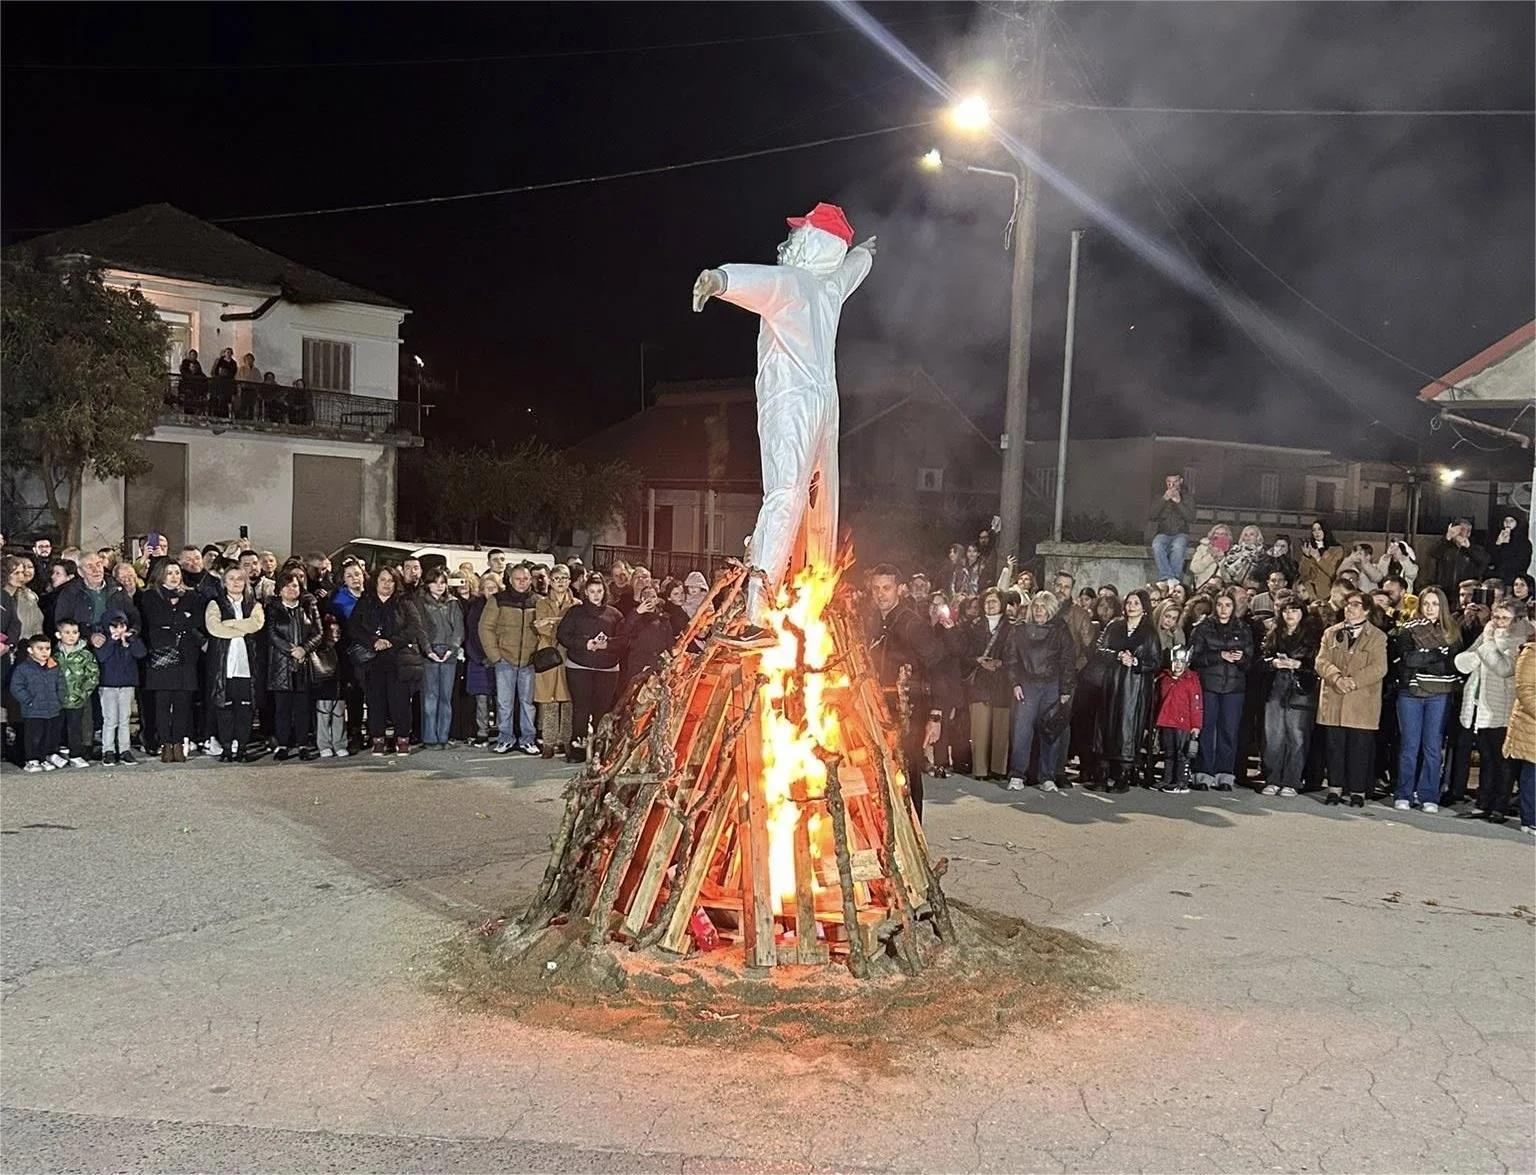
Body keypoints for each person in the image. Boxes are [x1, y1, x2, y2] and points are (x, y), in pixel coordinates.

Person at [693, 202, 875, 647]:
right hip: (825, 403)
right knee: (821, 501)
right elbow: (855, 267)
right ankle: (816, 593)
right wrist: (866, 252)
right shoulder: (829, 287)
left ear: (813, 242)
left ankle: (757, 612)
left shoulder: (793, 282)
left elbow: (759, 281)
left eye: (798, 235)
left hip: (790, 400)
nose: (787, 242)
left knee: (784, 494)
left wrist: (718, 280)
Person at [864, 563, 946, 817]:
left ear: (899, 589)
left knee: (908, 776)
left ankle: (914, 834)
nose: (880, 594)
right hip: (881, 711)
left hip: (910, 712)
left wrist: (936, 716)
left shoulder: (913, 624)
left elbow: (939, 667)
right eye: (876, 588)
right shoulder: (876, 622)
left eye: (887, 588)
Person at [1452, 600, 1529, 821]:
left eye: (1504, 618)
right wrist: (1485, 650)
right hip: (1480, 707)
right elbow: (1462, 662)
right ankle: (1483, 803)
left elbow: (1504, 668)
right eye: (1496, 617)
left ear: (1516, 620)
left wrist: (1486, 646)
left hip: (1502, 708)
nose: (1498, 622)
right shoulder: (1488, 637)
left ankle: (1499, 806)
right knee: (1486, 758)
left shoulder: (1519, 640)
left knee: (1502, 762)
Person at [1389, 587, 1462, 813]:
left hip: (1439, 695)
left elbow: (1452, 664)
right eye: (1426, 603)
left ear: (1442, 606)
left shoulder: (1452, 631)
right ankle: (1404, 793)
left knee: (1432, 746)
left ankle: (1428, 795)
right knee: (1409, 746)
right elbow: (1408, 659)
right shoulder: (1407, 629)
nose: (1430, 608)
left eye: (1435, 604)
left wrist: (1426, 657)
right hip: (1410, 693)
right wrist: (1436, 655)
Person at [1316, 591, 1388, 807]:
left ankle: (1358, 791)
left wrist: (1353, 681)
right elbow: (1321, 661)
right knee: (1335, 747)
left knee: (1359, 748)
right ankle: (1334, 788)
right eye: (1347, 604)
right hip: (1335, 699)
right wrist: (1336, 678)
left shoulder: (1377, 636)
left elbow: (1379, 667)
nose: (1349, 608)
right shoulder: (1331, 633)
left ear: (1366, 609)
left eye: (1355, 605)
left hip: (1361, 701)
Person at [1002, 590, 1076, 792]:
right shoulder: (1019, 629)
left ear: (1051, 609)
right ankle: (1017, 774)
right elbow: (1011, 659)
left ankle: (1047, 776)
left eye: (1043, 607)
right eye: (1036, 606)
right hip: (1027, 684)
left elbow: (1068, 660)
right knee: (1021, 732)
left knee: (1050, 732)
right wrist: (1015, 683)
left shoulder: (1060, 629)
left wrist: (1065, 689)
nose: (1039, 610)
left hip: (1052, 685)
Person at [348, 565, 423, 757]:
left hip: (398, 659)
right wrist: (374, 642)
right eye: (383, 580)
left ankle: (402, 739)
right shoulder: (366, 601)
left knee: (400, 702)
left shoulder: (404, 601)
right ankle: (378, 739)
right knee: (375, 701)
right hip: (373, 660)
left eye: (390, 580)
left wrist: (391, 642)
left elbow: (414, 627)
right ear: (375, 582)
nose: (387, 584)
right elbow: (354, 628)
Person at [1090, 588, 1161, 791]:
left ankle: (1123, 774)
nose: (1131, 607)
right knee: (1106, 723)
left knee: (1127, 726)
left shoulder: (1149, 632)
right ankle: (1101, 773)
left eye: (1136, 603)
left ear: (1144, 607)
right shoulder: (1114, 625)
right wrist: (1117, 655)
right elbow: (1099, 649)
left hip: (1135, 686)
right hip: (1112, 682)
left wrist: (1137, 662)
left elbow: (1155, 661)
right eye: (1129, 602)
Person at [1187, 588, 1253, 790]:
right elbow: (1194, 657)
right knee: (1206, 730)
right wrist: (1219, 656)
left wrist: (1241, 659)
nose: (1224, 609)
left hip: (1234, 688)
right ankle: (1203, 773)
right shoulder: (1203, 628)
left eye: (1228, 605)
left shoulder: (1242, 629)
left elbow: (1250, 660)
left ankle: (1225, 773)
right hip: (1209, 686)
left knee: (1229, 731)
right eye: (1220, 605)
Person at [556, 574, 624, 762]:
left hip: (607, 670)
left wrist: (607, 644)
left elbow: (623, 640)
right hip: (579, 667)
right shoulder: (575, 612)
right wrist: (584, 644)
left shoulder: (615, 614)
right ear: (586, 592)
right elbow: (563, 635)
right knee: (581, 709)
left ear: (605, 592)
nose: (596, 595)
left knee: (601, 710)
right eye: (592, 591)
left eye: (600, 591)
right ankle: (578, 749)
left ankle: (599, 750)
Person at [1261, 597, 1322, 797]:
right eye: (1286, 611)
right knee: (1274, 735)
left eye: (1294, 610)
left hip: (1300, 689)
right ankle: (1272, 779)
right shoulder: (1274, 633)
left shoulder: (1312, 635)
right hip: (1275, 686)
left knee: (1297, 736)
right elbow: (1262, 658)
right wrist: (1272, 663)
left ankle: (1292, 781)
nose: (1290, 615)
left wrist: (1299, 665)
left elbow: (1317, 663)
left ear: (1302, 613)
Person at [204, 567, 266, 763]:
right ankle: (227, 747)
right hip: (225, 665)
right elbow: (214, 628)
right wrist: (241, 627)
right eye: (231, 578)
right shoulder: (215, 604)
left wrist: (229, 624)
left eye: (240, 579)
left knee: (245, 709)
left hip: (247, 665)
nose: (236, 582)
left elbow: (255, 625)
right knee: (225, 708)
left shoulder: (254, 604)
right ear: (224, 582)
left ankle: (242, 747)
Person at [480, 563, 541, 755]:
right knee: (504, 703)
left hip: (529, 661)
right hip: (505, 659)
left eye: (525, 579)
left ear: (530, 580)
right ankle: (505, 738)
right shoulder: (498, 600)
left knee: (527, 704)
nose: (522, 583)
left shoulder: (538, 601)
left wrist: (537, 653)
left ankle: (527, 739)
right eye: (518, 579)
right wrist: (495, 656)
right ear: (510, 580)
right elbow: (485, 628)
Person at [265, 571, 324, 760]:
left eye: (295, 586)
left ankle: (303, 744)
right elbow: (272, 633)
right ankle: (282, 744)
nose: (292, 589)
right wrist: (291, 650)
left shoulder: (308, 606)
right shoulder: (272, 608)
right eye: (288, 586)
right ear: (280, 589)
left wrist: (304, 649)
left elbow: (318, 632)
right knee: (282, 708)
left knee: (302, 707)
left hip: (304, 663)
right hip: (281, 664)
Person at [963, 588, 1013, 783]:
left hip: (1002, 682)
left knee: (1002, 726)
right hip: (980, 682)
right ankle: (980, 769)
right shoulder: (973, 627)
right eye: (987, 601)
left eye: (994, 601)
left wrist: (1001, 663)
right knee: (979, 727)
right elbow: (964, 653)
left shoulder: (1012, 627)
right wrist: (978, 660)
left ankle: (999, 768)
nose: (990, 605)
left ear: (1002, 603)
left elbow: (1016, 655)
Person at [415, 568, 465, 749]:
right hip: (429, 653)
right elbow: (419, 629)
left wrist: (452, 649)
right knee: (430, 696)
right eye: (435, 582)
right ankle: (429, 738)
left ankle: (443, 737)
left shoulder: (453, 603)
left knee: (445, 697)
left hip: (449, 654)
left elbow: (459, 630)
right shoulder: (420, 603)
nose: (439, 586)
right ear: (428, 584)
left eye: (442, 582)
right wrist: (428, 651)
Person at [533, 564, 577, 759]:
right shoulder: (541, 603)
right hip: (548, 656)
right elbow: (541, 628)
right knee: (549, 701)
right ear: (550, 580)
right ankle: (548, 743)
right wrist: (557, 624)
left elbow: (572, 630)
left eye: (564, 578)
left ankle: (566, 741)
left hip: (568, 654)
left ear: (569, 581)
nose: (560, 582)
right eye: (557, 578)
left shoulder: (576, 604)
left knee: (567, 700)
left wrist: (551, 622)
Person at [93, 610, 145, 766]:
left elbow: (141, 653)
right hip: (108, 685)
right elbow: (101, 657)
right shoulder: (103, 641)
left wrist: (131, 641)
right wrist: (111, 641)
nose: (118, 630)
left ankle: (124, 750)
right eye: (114, 627)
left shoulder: (130, 641)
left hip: (127, 684)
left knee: (124, 719)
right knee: (110, 720)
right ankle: (108, 751)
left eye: (121, 626)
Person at [14, 635, 68, 772]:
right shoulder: (23, 668)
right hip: (33, 711)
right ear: (30, 650)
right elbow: (16, 687)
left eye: (47, 648)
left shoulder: (54, 667)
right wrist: (28, 701)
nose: (44, 652)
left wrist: (59, 699)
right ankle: (31, 760)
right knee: (33, 736)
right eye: (40, 648)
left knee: (48, 735)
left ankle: (44, 758)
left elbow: (61, 684)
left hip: (52, 709)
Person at [1153, 646, 1203, 794]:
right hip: (1167, 721)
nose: (1178, 664)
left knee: (1182, 753)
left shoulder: (1191, 680)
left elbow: (1196, 704)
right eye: (1175, 661)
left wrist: (1196, 725)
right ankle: (1167, 779)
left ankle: (1181, 781)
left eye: (1182, 661)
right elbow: (1158, 700)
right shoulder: (1164, 678)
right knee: (1169, 752)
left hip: (1183, 724)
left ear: (1187, 662)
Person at [618, 581, 684, 690]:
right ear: (641, 600)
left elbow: (670, 644)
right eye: (646, 596)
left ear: (657, 599)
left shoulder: (664, 619)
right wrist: (637, 613)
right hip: (637, 666)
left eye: (653, 596)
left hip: (657, 666)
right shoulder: (634, 617)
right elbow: (623, 632)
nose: (650, 600)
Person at [1501, 634, 1536, 834]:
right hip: (1530, 723)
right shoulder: (1531, 653)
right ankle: (1530, 819)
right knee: (1533, 772)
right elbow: (1524, 690)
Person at [53, 618, 99, 768]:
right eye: (67, 632)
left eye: (74, 632)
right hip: (58, 700)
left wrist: (83, 693)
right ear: (59, 635)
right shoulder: (55, 656)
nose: (71, 636)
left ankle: (76, 754)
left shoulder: (85, 655)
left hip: (77, 699)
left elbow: (93, 675)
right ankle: (55, 752)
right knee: (56, 727)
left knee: (75, 728)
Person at [465, 573, 500, 748]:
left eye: (494, 588)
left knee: (501, 699)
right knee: (481, 699)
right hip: (479, 660)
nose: (491, 592)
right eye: (487, 588)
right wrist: (480, 658)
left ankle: (502, 731)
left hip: (499, 659)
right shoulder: (475, 608)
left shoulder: (503, 606)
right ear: (481, 590)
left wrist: (496, 656)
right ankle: (482, 731)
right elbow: (471, 635)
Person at [1149, 473, 1197, 583]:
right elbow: (1152, 515)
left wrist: (1179, 503)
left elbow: (1191, 518)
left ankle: (1174, 578)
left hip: (1181, 533)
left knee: (1178, 546)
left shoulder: (1188, 497)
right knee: (1157, 545)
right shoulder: (1159, 496)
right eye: (1169, 482)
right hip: (1163, 532)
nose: (1172, 485)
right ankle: (1166, 577)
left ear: (1181, 481)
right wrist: (1164, 500)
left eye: (1175, 482)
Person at [312, 614, 348, 758]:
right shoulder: (320, 649)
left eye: (338, 632)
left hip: (339, 686)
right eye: (332, 632)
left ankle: (339, 743)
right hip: (324, 684)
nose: (336, 635)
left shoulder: (342, 648)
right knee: (323, 715)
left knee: (339, 715)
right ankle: (324, 744)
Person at [1425, 518, 1489, 597]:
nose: (1467, 533)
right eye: (1463, 529)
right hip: (1444, 590)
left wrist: (1468, 548)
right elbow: (1433, 553)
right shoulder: (1445, 547)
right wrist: (1447, 537)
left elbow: (1484, 561)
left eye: (1469, 530)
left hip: (1466, 591)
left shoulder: (1475, 548)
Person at [1490, 511, 1532, 585]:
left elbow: (1522, 563)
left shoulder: (1523, 541)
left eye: (1511, 521)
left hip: (1514, 580)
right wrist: (1498, 544)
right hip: (1497, 579)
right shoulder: (1496, 537)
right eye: (1505, 520)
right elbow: (1492, 560)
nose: (1508, 523)